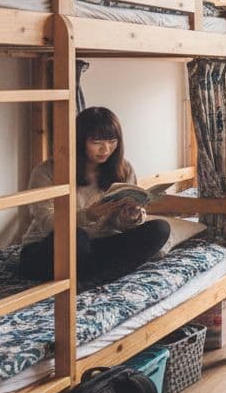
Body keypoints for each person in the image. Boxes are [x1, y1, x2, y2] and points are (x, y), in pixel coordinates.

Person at [18, 107, 170, 285]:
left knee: (160, 229)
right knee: (78, 238)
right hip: (48, 249)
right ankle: (100, 275)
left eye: (112, 141)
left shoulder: (123, 169)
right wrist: (88, 215)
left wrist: (132, 216)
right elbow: (46, 222)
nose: (106, 149)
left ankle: (89, 278)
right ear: (80, 141)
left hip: (97, 245)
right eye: (97, 142)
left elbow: (117, 225)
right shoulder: (47, 171)